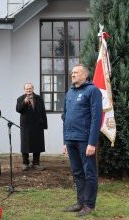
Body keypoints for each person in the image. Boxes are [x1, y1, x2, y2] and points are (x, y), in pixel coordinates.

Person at [62, 64, 102, 217]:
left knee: (89, 172)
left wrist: (92, 142)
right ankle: (80, 202)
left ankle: (89, 204)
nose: (72, 75)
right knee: (77, 172)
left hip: (85, 141)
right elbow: (65, 118)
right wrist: (64, 141)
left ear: (85, 75)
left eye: (76, 73)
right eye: (72, 72)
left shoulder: (93, 91)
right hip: (71, 140)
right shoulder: (70, 92)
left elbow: (96, 118)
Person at [16, 83, 47, 171]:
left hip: (38, 125)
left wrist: (44, 124)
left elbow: (43, 112)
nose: (28, 90)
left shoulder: (39, 98)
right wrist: (24, 102)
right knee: (25, 144)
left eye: (30, 88)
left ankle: (36, 163)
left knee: (37, 144)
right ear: (24, 90)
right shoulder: (20, 98)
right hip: (26, 126)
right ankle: (25, 163)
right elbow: (18, 109)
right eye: (27, 89)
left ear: (33, 89)